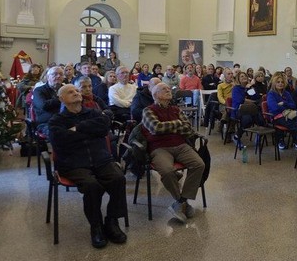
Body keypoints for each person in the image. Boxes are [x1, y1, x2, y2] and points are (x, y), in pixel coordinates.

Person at [48, 84, 127, 249]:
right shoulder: (57, 120)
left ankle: (112, 221)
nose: (76, 93)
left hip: (101, 159)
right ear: (62, 99)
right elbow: (62, 140)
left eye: (76, 91)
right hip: (74, 163)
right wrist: (91, 130)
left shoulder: (93, 113)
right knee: (92, 186)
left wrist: (78, 128)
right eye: (70, 92)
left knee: (118, 178)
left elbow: (104, 127)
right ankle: (96, 226)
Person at [141, 83, 205, 223]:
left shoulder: (176, 109)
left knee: (199, 164)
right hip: (159, 148)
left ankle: (181, 201)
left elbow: (188, 129)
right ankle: (181, 202)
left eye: (169, 89)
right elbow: (156, 128)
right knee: (168, 171)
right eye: (164, 89)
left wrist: (170, 126)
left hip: (180, 145)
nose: (168, 90)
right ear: (156, 94)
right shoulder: (148, 110)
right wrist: (177, 124)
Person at [266, 72, 297, 157]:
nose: (280, 84)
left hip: (289, 115)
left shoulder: (286, 93)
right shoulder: (271, 94)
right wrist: (286, 108)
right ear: (274, 83)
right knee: (294, 125)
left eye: (282, 82)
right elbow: (274, 109)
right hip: (277, 117)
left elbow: (293, 105)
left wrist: (284, 103)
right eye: (278, 82)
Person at [230, 73, 265, 148]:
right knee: (248, 119)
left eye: (245, 76)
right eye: (241, 76)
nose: (244, 77)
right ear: (238, 79)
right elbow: (241, 100)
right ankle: (236, 137)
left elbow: (256, 97)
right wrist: (251, 100)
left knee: (261, 120)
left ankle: (259, 136)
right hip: (239, 110)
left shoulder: (249, 88)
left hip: (251, 109)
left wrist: (250, 88)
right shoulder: (236, 88)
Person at [32, 66, 64, 137]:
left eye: (61, 74)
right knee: (58, 133)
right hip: (46, 122)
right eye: (55, 74)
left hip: (65, 120)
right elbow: (43, 105)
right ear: (48, 77)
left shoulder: (66, 89)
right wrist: (60, 99)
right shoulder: (39, 90)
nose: (58, 76)